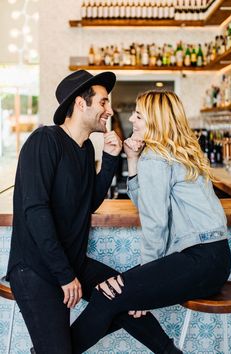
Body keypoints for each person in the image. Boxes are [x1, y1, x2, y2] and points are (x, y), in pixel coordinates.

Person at [6, 71, 175, 354]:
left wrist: (110, 159)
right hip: (35, 269)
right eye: (103, 102)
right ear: (80, 104)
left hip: (72, 262)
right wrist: (64, 275)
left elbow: (87, 203)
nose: (109, 110)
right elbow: (35, 211)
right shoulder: (44, 140)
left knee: (125, 295)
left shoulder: (84, 150)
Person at [70, 90, 231, 354]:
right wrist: (133, 161)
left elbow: (155, 223)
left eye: (139, 115)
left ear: (156, 121)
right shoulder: (173, 153)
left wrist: (144, 282)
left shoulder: (158, 158)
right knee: (112, 298)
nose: (131, 118)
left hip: (199, 260)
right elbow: (147, 203)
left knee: (108, 294)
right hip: (214, 259)